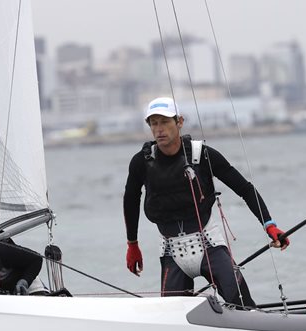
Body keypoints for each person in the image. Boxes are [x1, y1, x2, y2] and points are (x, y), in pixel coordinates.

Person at [123, 97, 289, 307]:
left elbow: (245, 189)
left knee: (244, 307)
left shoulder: (202, 155)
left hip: (210, 245)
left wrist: (269, 225)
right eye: (154, 123)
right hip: (170, 252)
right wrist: (132, 244)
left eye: (165, 122)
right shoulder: (142, 162)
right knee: (172, 319)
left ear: (179, 122)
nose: (159, 129)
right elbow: (130, 201)